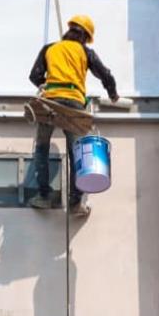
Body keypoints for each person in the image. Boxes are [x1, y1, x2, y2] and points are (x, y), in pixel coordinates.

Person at [27, 15, 118, 216]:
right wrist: (113, 94)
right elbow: (105, 74)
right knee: (77, 152)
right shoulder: (85, 52)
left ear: (69, 31)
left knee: (41, 147)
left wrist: (47, 84)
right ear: (85, 36)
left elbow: (34, 76)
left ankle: (43, 196)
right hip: (73, 105)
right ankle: (75, 202)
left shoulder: (50, 48)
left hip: (49, 102)